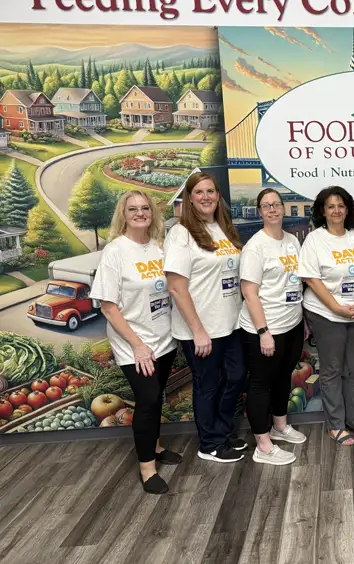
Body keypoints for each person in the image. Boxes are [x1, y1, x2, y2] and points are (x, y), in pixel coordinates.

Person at [89, 190, 181, 494]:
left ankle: (156, 447)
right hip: (134, 345)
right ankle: (147, 468)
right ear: (123, 215)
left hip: (164, 339)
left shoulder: (158, 247)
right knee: (148, 400)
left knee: (157, 398)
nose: (140, 213)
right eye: (132, 209)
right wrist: (138, 345)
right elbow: (108, 306)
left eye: (145, 208)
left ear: (152, 213)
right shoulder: (115, 251)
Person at [164, 172, 247, 463]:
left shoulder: (222, 228)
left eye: (210, 191)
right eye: (198, 192)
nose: (206, 197)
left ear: (218, 195)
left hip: (230, 323)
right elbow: (176, 287)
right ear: (189, 198)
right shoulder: (181, 234)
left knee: (235, 377)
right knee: (208, 384)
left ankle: (222, 431)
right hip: (201, 329)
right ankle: (210, 444)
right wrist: (198, 331)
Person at [298, 186, 354, 446]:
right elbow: (311, 279)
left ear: (347, 209)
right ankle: (335, 424)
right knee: (332, 370)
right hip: (326, 314)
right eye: (331, 206)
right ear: (322, 211)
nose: (336, 210)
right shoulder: (315, 240)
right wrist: (336, 307)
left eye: (341, 206)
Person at [239, 188, 308, 466]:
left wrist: (302, 320)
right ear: (260, 211)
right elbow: (249, 292)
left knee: (282, 377)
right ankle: (263, 445)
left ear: (283, 208)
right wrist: (263, 332)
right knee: (260, 384)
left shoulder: (291, 241)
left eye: (276, 204)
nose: (272, 209)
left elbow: (296, 283)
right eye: (266, 206)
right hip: (266, 329)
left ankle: (280, 426)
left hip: (292, 323)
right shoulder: (255, 247)